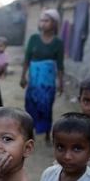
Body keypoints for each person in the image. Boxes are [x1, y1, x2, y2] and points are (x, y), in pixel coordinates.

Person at [20, 9, 64, 144]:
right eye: (41, 20)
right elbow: (27, 59)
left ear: (54, 23)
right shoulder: (33, 39)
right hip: (34, 80)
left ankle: (46, 134)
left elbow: (60, 65)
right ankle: (31, 133)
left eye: (46, 20)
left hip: (48, 82)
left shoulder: (58, 42)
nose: (43, 23)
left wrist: (60, 82)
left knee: (46, 107)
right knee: (31, 105)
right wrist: (23, 76)